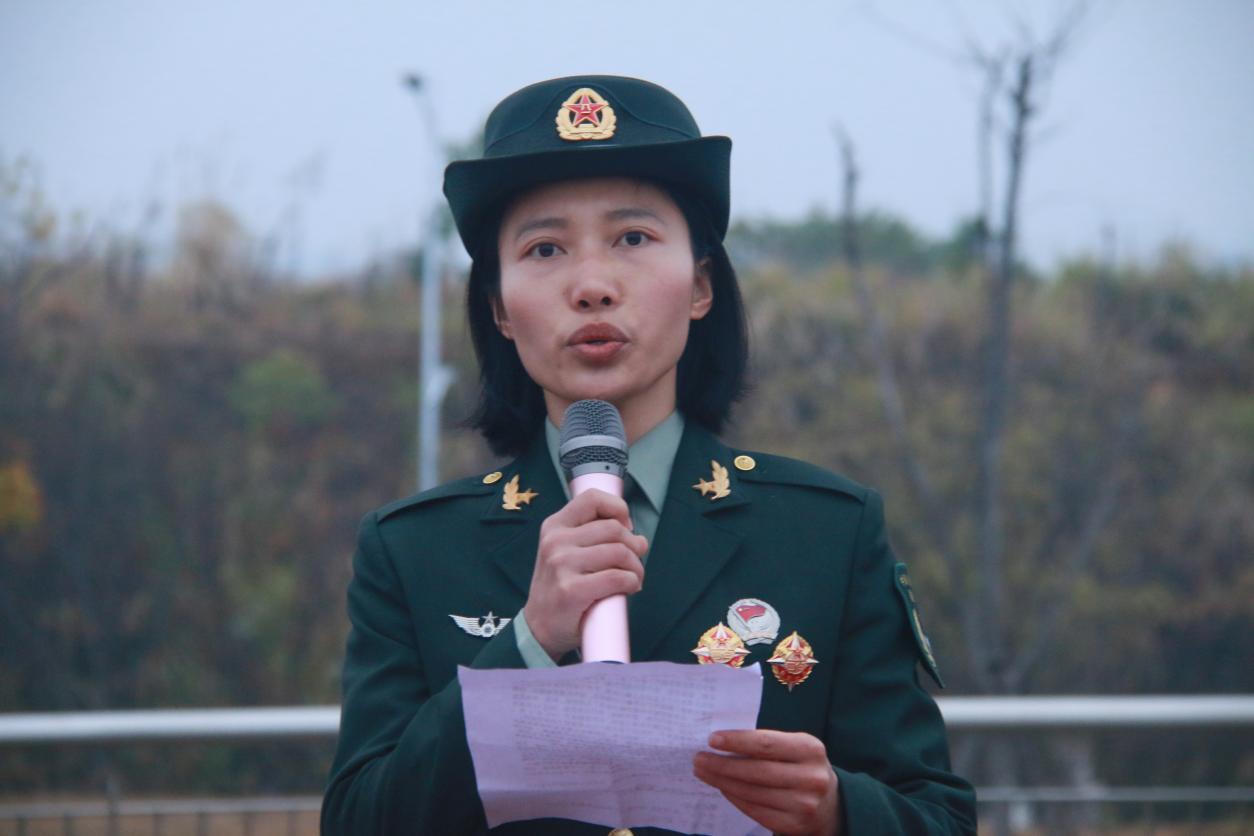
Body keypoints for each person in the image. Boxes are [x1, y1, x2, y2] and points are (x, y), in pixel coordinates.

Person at [322, 75, 976, 835]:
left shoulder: (828, 533)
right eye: (544, 248)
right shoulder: (412, 551)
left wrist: (837, 811)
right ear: (499, 307)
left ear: (700, 285)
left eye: (632, 238)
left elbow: (938, 817)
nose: (592, 286)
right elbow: (360, 821)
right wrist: (528, 641)